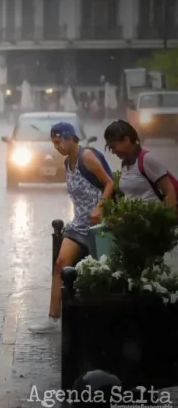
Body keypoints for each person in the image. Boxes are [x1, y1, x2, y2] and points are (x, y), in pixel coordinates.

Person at [29, 122, 114, 333]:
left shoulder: (87, 157)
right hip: (78, 225)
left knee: (102, 274)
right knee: (60, 264)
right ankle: (52, 319)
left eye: (58, 142)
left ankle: (102, 321)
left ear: (68, 138)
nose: (56, 147)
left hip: (98, 225)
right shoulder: (68, 163)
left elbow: (110, 183)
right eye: (53, 143)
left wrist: (100, 206)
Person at [104, 120, 177, 207]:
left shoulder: (146, 159)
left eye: (113, 147)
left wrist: (167, 218)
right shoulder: (125, 163)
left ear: (126, 140)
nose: (113, 152)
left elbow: (169, 191)